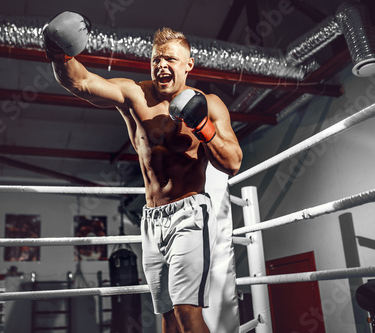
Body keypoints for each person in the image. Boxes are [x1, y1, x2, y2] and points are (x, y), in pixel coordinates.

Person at [43, 12, 243, 333]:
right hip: (151, 220)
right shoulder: (135, 95)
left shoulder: (211, 104)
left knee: (187, 311)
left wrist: (201, 125)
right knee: (166, 313)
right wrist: (57, 52)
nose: (162, 65)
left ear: (188, 65)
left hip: (190, 215)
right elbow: (80, 82)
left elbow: (232, 162)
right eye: (156, 59)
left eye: (171, 60)